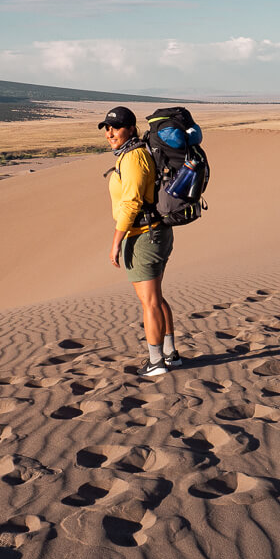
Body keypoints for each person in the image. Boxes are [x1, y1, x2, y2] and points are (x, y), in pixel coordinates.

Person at [99, 106, 180, 377]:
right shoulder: (133, 153)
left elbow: (131, 203)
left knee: (149, 302)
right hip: (154, 233)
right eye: (107, 128)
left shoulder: (133, 158)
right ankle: (170, 355)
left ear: (131, 129)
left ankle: (156, 361)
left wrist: (115, 242)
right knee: (155, 298)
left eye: (117, 127)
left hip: (144, 236)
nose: (110, 133)